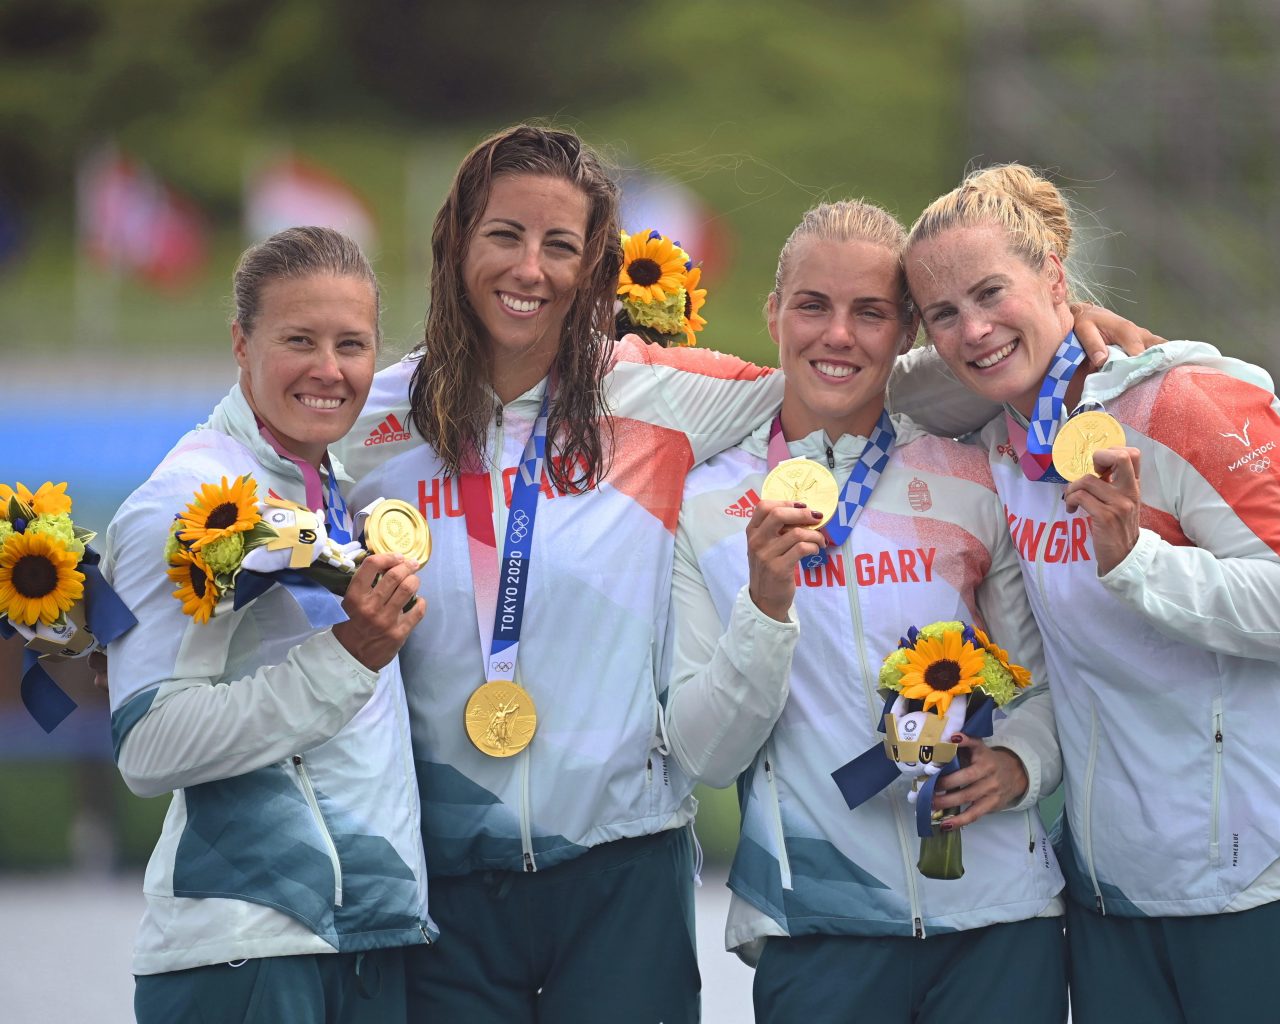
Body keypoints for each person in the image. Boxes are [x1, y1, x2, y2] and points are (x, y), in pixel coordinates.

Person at [339, 124, 1152, 1022]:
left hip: (642, 873)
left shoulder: (660, 395)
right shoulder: (374, 415)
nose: (531, 268)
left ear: (596, 266)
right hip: (453, 869)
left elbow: (862, 382)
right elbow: (256, 426)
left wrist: (1061, 333)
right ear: (456, 240)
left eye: (560, 245)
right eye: (505, 236)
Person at [902, 165, 1280, 1024]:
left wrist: (1139, 563)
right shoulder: (999, 439)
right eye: (942, 313)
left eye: (990, 292)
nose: (971, 330)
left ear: (1054, 273)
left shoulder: (1188, 400)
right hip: (1115, 902)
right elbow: (878, 385)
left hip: (1266, 884)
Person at [666, 200, 1068, 1023]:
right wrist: (765, 609)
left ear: (908, 332)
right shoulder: (704, 505)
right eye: (813, 305)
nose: (838, 335)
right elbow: (704, 751)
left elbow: (1045, 687)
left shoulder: (973, 478)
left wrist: (1022, 762)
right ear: (774, 313)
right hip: (818, 928)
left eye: (871, 312)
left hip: (999, 923)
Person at [102, 227, 431, 1024]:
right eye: (299, 340)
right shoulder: (190, 502)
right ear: (241, 345)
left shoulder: (330, 490)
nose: (329, 369)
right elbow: (147, 748)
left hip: (363, 943)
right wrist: (350, 657)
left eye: (352, 344)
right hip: (245, 952)